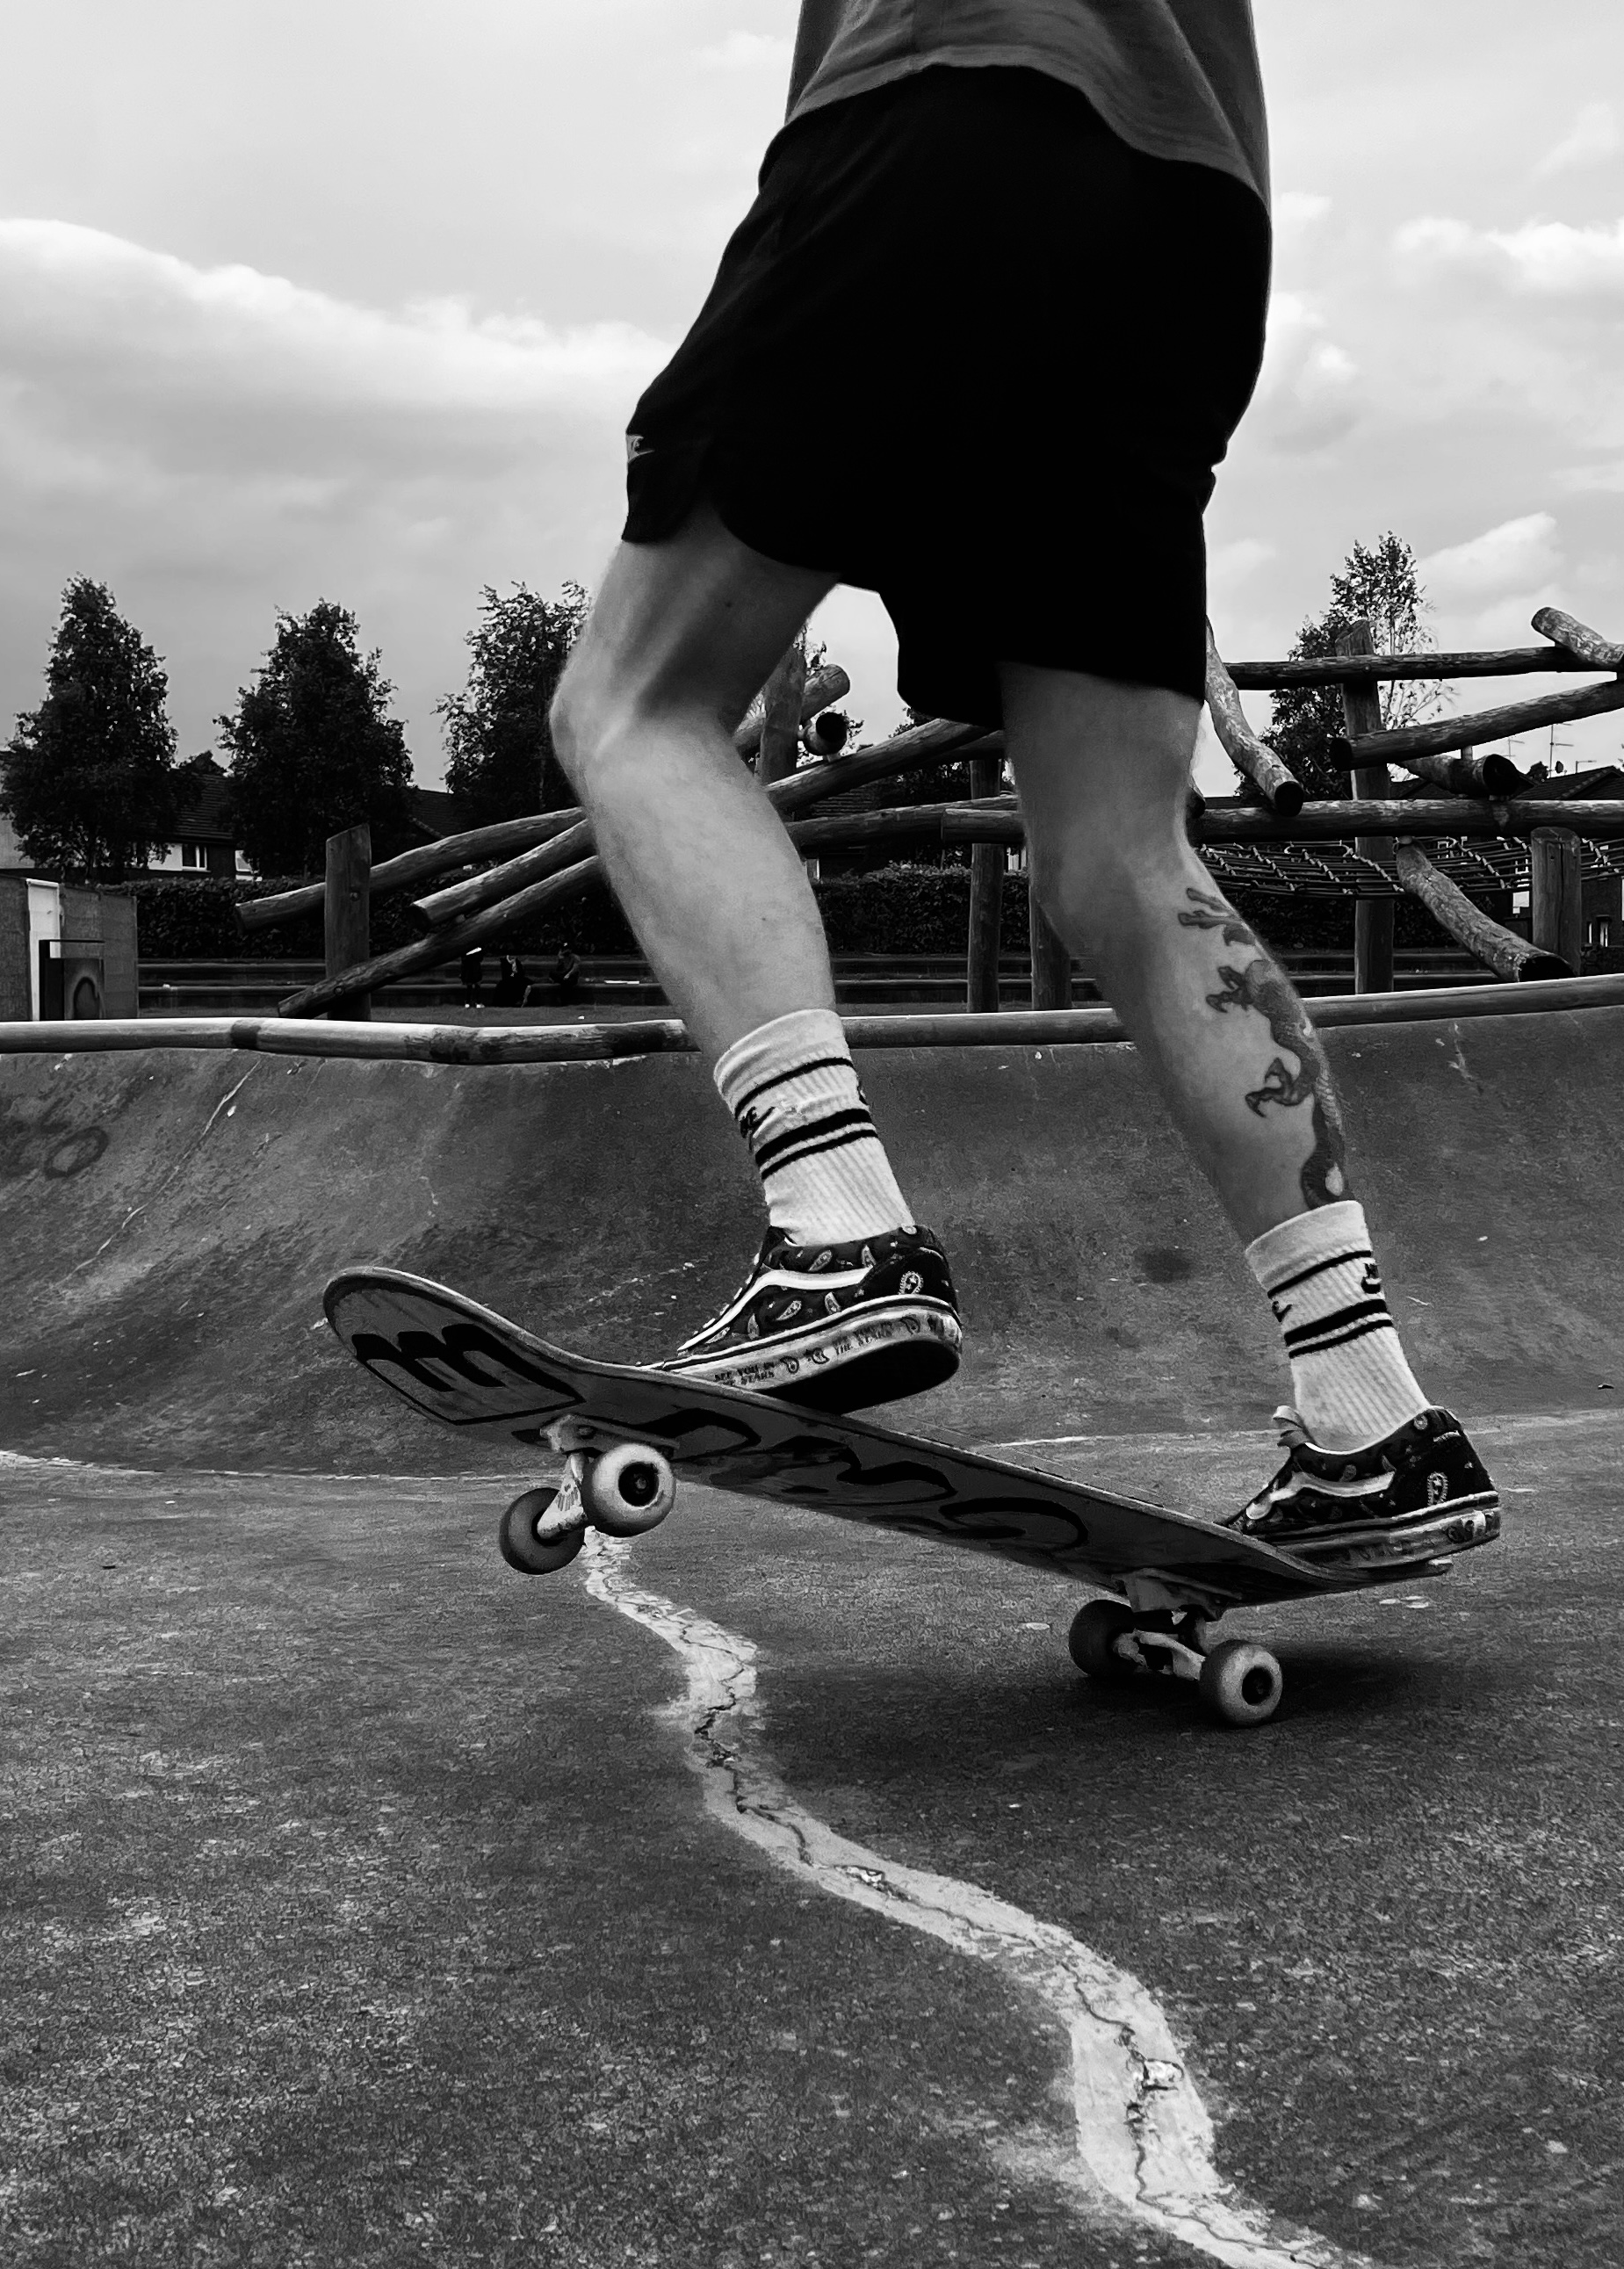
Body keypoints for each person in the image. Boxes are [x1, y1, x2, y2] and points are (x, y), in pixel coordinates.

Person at [549, 3, 1498, 1563]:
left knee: (632, 705)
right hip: (1188, 225)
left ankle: (837, 1229)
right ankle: (1372, 1412)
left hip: (949, 96)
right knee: (1124, 862)